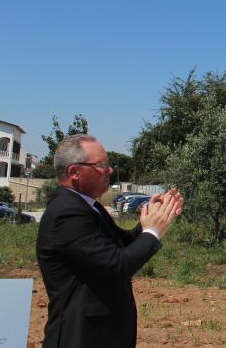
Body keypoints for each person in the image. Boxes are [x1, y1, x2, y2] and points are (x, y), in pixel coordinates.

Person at [36, 134, 183, 348]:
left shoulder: (87, 206)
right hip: (82, 337)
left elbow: (119, 245)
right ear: (75, 172)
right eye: (101, 165)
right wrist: (152, 231)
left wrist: (152, 221)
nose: (110, 170)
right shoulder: (66, 214)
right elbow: (119, 264)